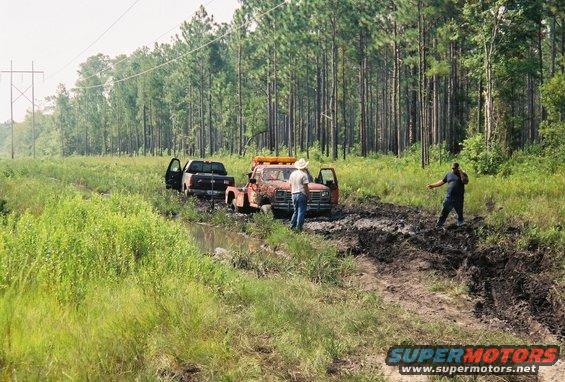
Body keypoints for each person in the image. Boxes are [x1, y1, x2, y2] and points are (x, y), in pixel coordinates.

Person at [426, 162, 468, 228]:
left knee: (460, 213)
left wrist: (461, 172)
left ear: (458, 168)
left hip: (459, 198)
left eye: (454, 168)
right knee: (444, 212)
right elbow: (442, 181)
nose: (453, 170)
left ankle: (460, 224)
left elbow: (465, 181)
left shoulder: (463, 174)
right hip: (449, 198)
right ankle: (438, 226)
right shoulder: (449, 174)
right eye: (452, 168)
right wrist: (433, 185)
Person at [288, 158, 310, 231]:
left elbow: (290, 185)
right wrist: (309, 196)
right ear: (304, 167)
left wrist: (292, 193)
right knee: (301, 211)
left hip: (294, 194)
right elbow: (305, 186)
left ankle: (292, 226)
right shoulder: (304, 175)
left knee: (295, 211)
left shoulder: (293, 174)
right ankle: (299, 228)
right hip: (301, 194)